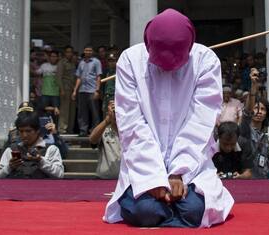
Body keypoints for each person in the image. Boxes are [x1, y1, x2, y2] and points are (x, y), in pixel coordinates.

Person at [104, 9, 233, 228]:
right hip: (143, 164)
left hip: (191, 165)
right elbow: (132, 124)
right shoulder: (130, 61)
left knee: (193, 211)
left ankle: (172, 207)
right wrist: (153, 179)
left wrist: (178, 173)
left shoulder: (206, 61)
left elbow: (199, 122)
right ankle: (163, 209)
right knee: (147, 212)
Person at [0, 111, 64, 178]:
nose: (24, 135)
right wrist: (9, 167)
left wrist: (41, 161)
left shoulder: (51, 149)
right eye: (21, 131)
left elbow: (59, 175)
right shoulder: (11, 150)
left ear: (37, 130)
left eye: (28, 131)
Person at [239, 68, 269, 179]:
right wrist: (254, 86)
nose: (259, 112)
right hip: (247, 182)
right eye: (256, 108)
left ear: (267, 114)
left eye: (263, 109)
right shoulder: (245, 129)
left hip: (264, 181)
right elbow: (247, 112)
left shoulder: (265, 138)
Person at [3, 102, 68, 159]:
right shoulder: (13, 134)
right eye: (22, 115)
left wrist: (55, 134)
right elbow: (5, 156)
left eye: (28, 114)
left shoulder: (46, 131)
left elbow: (63, 153)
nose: (25, 134)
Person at [72, 45, 102, 136]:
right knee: (82, 112)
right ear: (84, 51)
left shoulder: (96, 62)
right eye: (86, 50)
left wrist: (97, 90)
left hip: (92, 90)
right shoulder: (81, 63)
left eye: (90, 50)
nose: (88, 52)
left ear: (92, 52)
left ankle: (94, 130)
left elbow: (98, 76)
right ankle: (83, 130)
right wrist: (74, 91)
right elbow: (79, 78)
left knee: (94, 112)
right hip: (82, 90)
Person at [89, 100, 120, 179]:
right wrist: (107, 120)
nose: (115, 113)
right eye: (113, 110)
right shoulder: (103, 129)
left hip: (124, 181)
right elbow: (92, 140)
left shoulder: (129, 129)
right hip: (103, 179)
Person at [36, 50, 61, 124]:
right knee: (43, 111)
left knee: (56, 113)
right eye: (51, 56)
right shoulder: (44, 66)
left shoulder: (59, 67)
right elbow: (37, 72)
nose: (53, 58)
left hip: (56, 93)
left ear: (57, 57)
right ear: (49, 57)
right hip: (45, 92)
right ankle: (44, 127)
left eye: (55, 56)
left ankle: (55, 129)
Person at [57, 45, 77, 134]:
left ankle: (70, 129)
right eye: (67, 52)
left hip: (72, 89)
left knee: (72, 111)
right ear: (65, 53)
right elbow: (59, 77)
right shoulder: (62, 62)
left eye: (71, 52)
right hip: (65, 88)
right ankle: (62, 129)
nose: (69, 54)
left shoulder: (73, 63)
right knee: (64, 110)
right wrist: (61, 89)